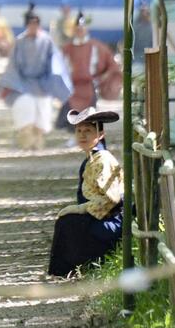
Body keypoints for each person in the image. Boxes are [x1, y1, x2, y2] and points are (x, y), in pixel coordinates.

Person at [48, 106, 123, 277]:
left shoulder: (103, 160)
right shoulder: (91, 158)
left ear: (100, 134)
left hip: (112, 218)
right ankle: (72, 271)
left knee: (69, 222)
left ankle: (84, 269)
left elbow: (112, 198)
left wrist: (81, 209)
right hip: (101, 215)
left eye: (88, 130)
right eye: (79, 130)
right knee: (67, 220)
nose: (82, 135)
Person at [0, 4, 72, 150]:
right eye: (30, 23)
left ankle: (38, 145)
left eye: (36, 23)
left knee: (42, 117)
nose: (33, 26)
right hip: (23, 84)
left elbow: (54, 62)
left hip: (42, 84)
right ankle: (26, 145)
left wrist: (54, 81)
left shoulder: (46, 41)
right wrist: (13, 83)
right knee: (25, 113)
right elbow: (13, 65)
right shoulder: (20, 41)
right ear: (26, 25)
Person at [56, 12, 121, 131]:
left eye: (82, 28)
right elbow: (57, 67)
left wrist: (103, 79)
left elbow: (112, 66)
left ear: (86, 29)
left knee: (89, 115)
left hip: (90, 87)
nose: (80, 31)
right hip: (72, 88)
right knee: (70, 114)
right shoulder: (67, 48)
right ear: (74, 30)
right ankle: (72, 133)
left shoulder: (97, 46)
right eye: (78, 29)